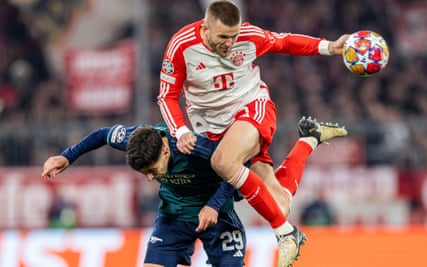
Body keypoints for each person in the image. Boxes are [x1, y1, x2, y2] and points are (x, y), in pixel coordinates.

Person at [157, 1, 349, 266]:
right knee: (279, 205)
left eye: (234, 36)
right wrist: (179, 131)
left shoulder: (248, 36)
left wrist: (331, 47)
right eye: (223, 37)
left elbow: (285, 42)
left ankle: (286, 233)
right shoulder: (181, 46)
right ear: (205, 28)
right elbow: (166, 96)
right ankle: (310, 138)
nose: (230, 42)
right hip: (213, 130)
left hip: (252, 109)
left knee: (223, 161)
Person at [41, 116, 347, 267]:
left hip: (220, 216)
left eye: (152, 171)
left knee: (279, 203)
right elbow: (103, 134)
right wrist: (67, 156)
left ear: (165, 151)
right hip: (174, 219)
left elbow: (236, 164)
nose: (150, 180)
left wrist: (213, 206)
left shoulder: (194, 147)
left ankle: (308, 139)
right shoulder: (138, 139)